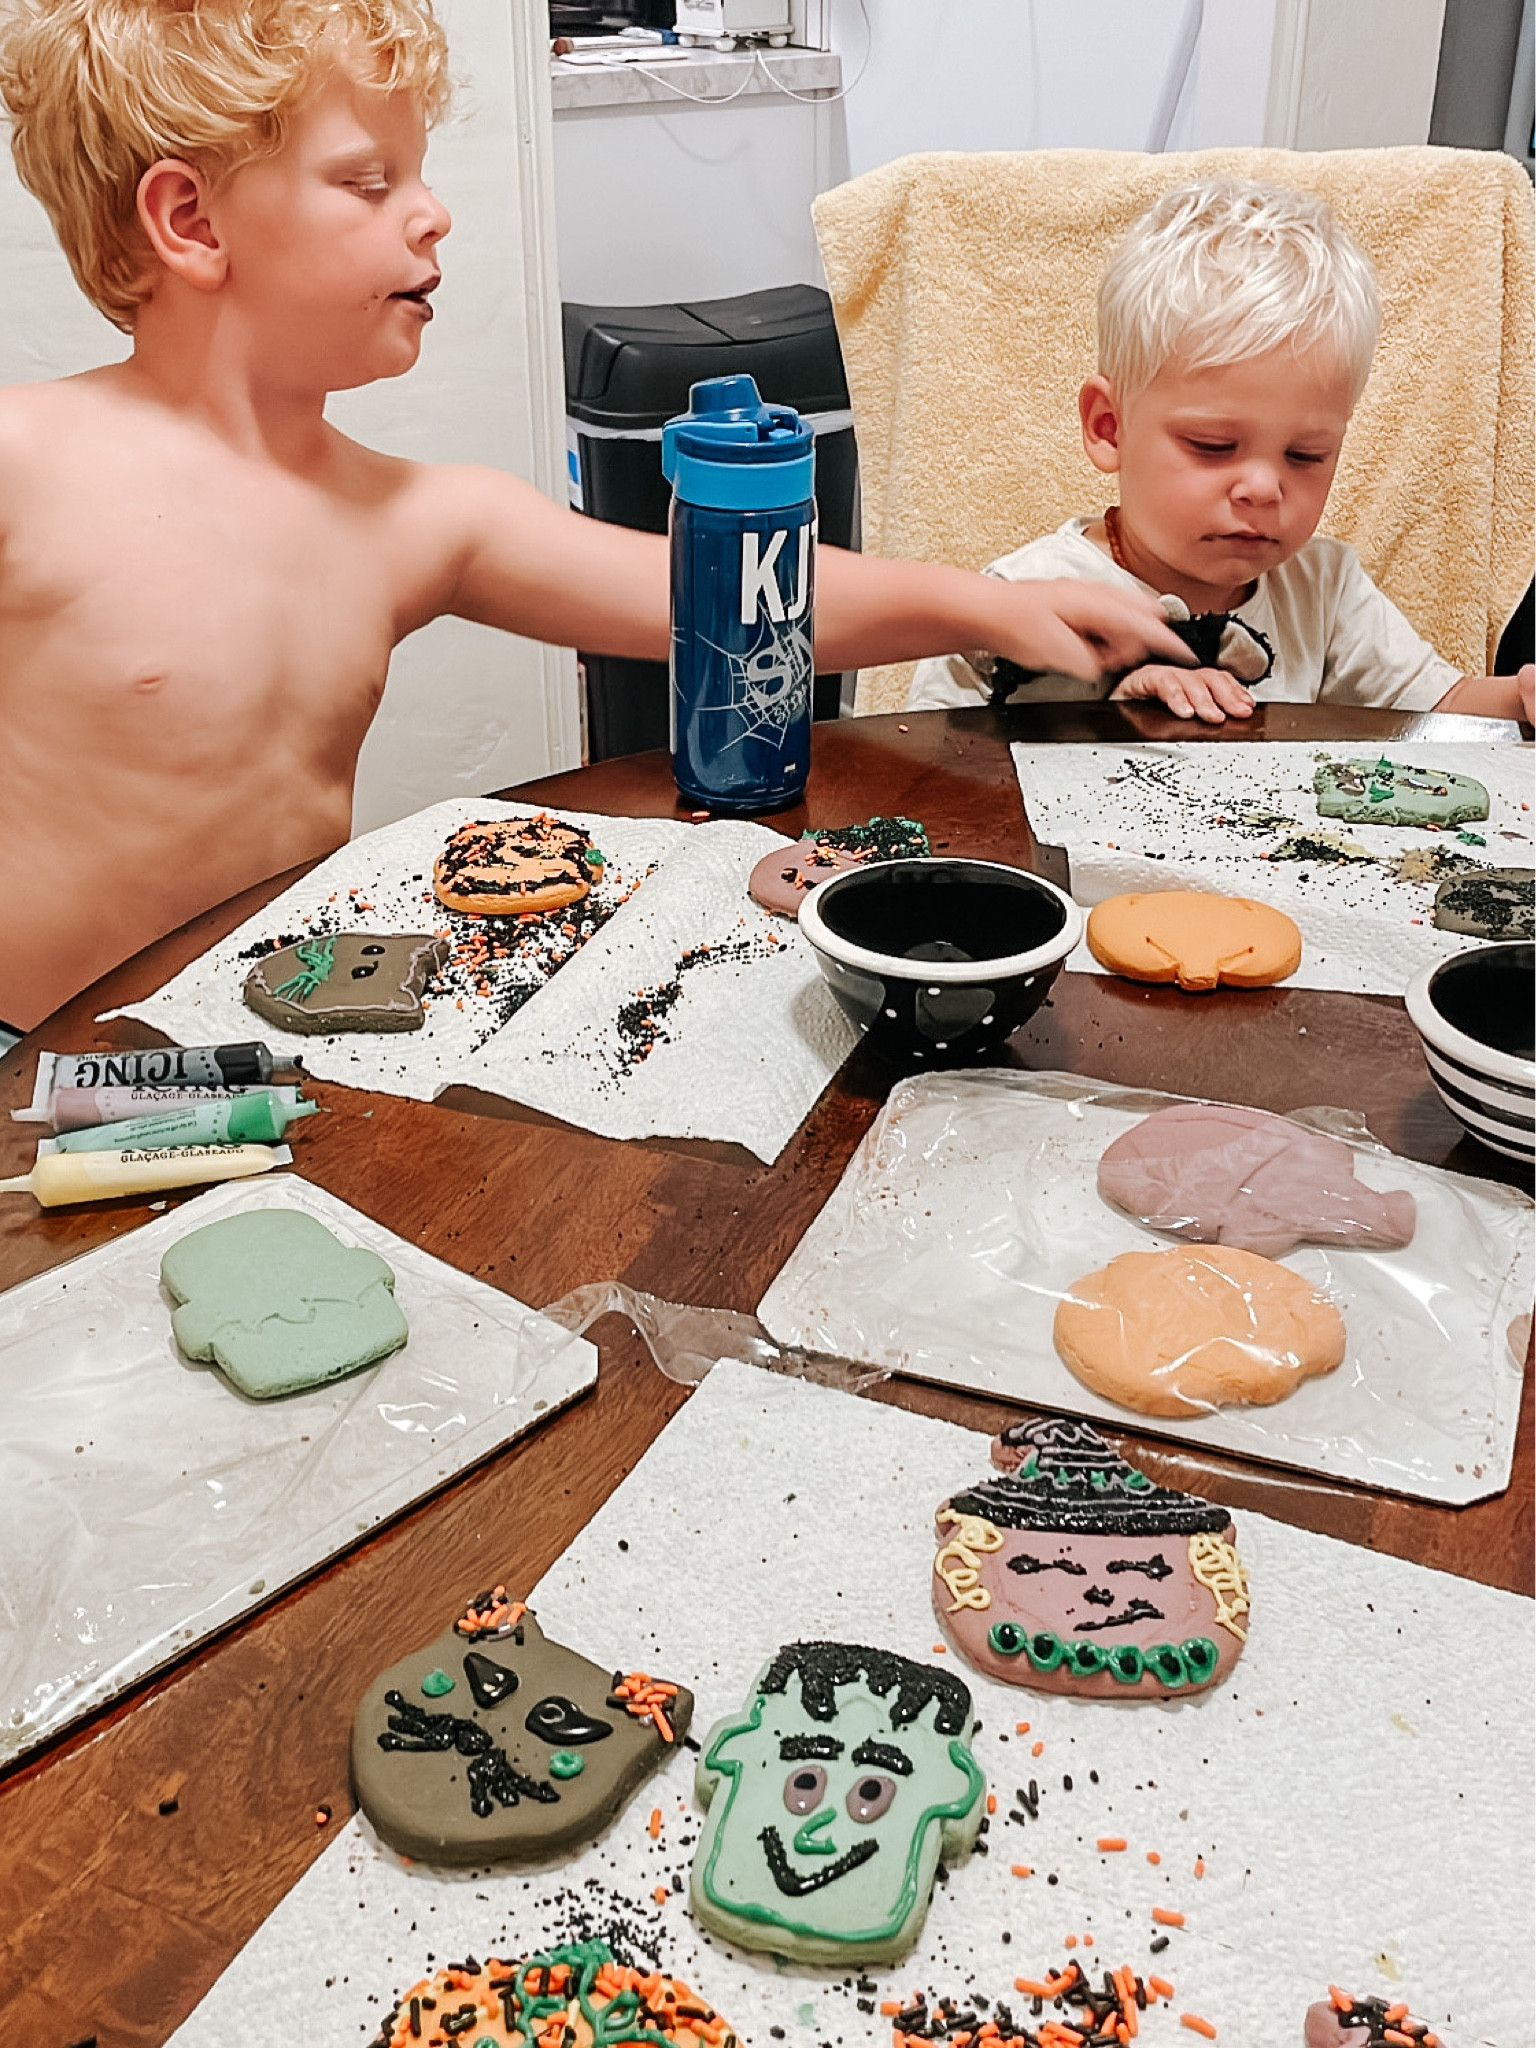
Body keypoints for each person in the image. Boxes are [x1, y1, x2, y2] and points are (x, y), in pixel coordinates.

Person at [0, 0, 1188, 1035]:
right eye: (370, 181)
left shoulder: (417, 519)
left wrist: (996, 605)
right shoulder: (25, 462)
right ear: (191, 223)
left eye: (419, 175)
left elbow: (730, 604)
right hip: (28, 1054)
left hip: (276, 1021)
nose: (433, 216)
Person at [909, 178, 1536, 728]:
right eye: (1214, 447)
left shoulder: (1324, 591)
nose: (1264, 488)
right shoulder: (1023, 595)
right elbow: (928, 766)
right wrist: (1107, 718)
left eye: (1307, 455)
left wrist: (1518, 698)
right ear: (1109, 428)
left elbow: (1438, 710)